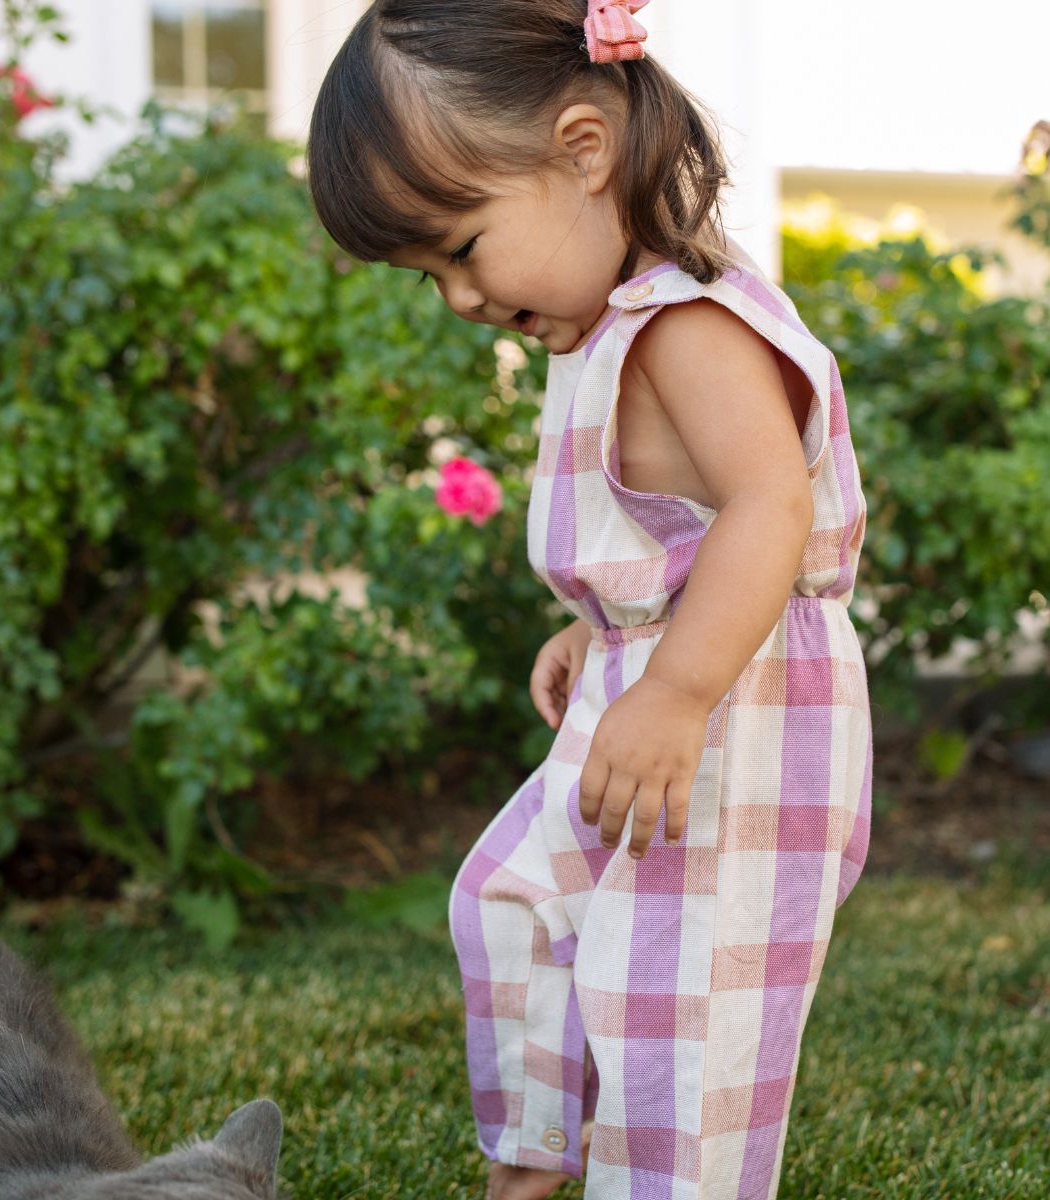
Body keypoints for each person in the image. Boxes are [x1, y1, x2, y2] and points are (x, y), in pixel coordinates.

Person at [307, 2, 872, 1197]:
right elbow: (684, 531)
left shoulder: (687, 330)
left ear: (582, 149)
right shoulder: (601, 334)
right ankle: (539, 1153)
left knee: (680, 1000)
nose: (456, 297)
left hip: (740, 712)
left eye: (460, 247)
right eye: (428, 277)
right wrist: (607, 623)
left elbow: (769, 507)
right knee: (514, 901)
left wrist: (673, 684)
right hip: (662, 679)